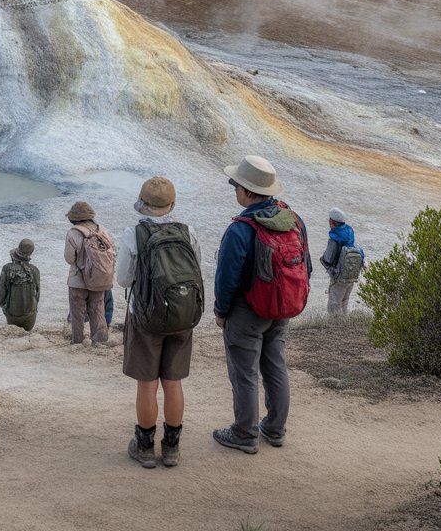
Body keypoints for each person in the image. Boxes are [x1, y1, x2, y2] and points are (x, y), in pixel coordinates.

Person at [213, 155, 311, 454]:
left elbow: (226, 277)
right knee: (275, 366)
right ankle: (275, 428)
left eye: (236, 186)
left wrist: (221, 312)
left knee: (244, 373)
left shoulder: (241, 229)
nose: (234, 191)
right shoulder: (293, 219)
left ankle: (244, 433)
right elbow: (305, 265)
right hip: (282, 306)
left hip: (248, 311)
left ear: (248, 191)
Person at [116, 176, 203, 468]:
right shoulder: (188, 232)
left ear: (143, 205)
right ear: (172, 204)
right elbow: (195, 271)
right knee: (174, 383)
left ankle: (144, 447)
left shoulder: (133, 234)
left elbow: (123, 279)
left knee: (147, 384)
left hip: (146, 318)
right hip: (181, 316)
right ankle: (171, 448)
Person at [64, 201, 114, 344]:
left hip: (77, 280)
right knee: (98, 308)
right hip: (99, 278)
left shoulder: (73, 233)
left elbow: (69, 259)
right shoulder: (102, 230)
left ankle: (78, 341)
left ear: (74, 218)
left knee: (77, 313)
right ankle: (99, 338)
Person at [320, 207, 364, 315]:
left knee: (334, 304)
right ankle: (344, 325)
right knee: (345, 302)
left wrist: (322, 259)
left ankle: (333, 328)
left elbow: (328, 260)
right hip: (351, 275)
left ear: (332, 223)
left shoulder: (335, 239)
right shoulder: (349, 234)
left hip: (339, 277)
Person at [0, 238, 41, 331]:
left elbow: (1, 293)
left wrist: (4, 308)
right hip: (30, 316)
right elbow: (38, 295)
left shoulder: (7, 268)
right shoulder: (35, 270)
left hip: (12, 315)